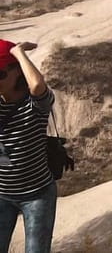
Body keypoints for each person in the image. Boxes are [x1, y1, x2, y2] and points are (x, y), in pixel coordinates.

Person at [0, 39, 57, 253]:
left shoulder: (35, 105)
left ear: (16, 71)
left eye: (0, 74)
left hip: (37, 195)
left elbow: (37, 86)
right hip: (2, 194)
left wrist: (18, 53)